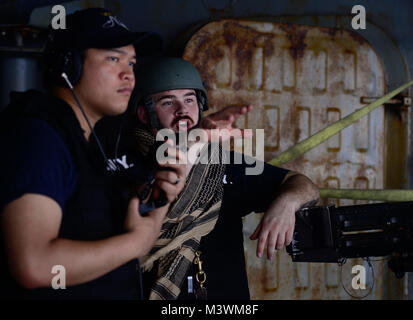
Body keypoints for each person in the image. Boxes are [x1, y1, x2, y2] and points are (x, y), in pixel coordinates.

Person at [0, 8, 186, 300]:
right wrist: (137, 241)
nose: (129, 74)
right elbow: (34, 265)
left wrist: (163, 196)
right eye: (113, 59)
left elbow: (115, 257)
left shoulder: (92, 141)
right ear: (69, 66)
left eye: (132, 62)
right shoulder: (38, 138)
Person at [129, 57, 320, 300]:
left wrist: (288, 203)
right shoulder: (128, 168)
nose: (183, 110)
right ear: (145, 114)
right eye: (168, 102)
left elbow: (304, 185)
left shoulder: (223, 162)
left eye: (189, 100)